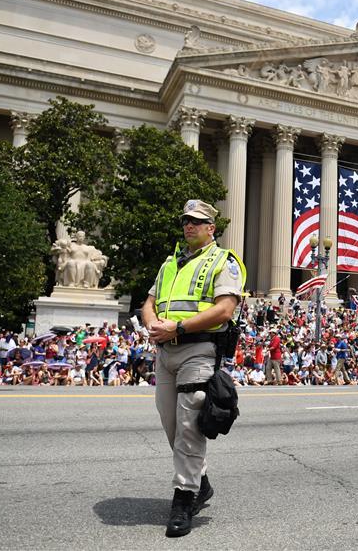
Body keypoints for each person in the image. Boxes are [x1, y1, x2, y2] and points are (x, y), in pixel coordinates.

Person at [141, 199, 246, 537]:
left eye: (197, 221)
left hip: (199, 349)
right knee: (170, 422)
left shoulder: (222, 261)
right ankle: (201, 482)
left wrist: (179, 327)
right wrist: (153, 325)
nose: (189, 225)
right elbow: (149, 302)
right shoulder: (169, 263)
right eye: (186, 220)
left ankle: (183, 499)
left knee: (189, 426)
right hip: (166, 350)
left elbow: (225, 310)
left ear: (211, 228)